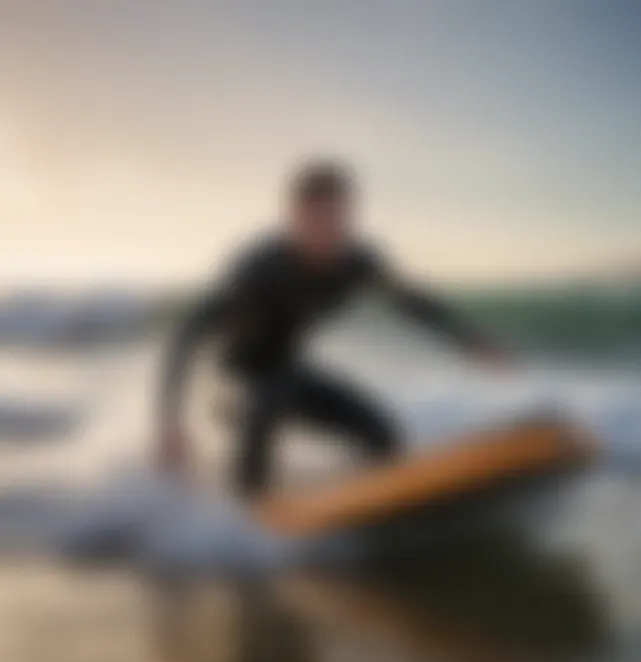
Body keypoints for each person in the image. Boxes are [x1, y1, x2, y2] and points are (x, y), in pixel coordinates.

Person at [158, 160, 508, 498]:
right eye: (319, 218)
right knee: (268, 397)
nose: (331, 230)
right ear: (295, 218)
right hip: (231, 386)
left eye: (340, 217)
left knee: (382, 434)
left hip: (288, 373)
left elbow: (410, 301)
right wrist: (170, 422)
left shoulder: (357, 261)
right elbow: (187, 334)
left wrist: (469, 340)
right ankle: (245, 508)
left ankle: (371, 508)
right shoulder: (259, 268)